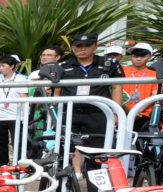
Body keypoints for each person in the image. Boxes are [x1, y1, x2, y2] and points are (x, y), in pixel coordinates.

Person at [53, 33, 123, 183]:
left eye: (87, 46)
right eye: (78, 46)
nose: (82, 49)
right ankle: (62, 187)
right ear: (72, 48)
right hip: (70, 112)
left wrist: (115, 112)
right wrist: (55, 112)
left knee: (98, 153)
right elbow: (57, 90)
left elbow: (117, 87)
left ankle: (97, 189)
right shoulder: (63, 66)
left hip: (98, 113)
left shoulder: (109, 63)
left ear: (95, 46)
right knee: (63, 149)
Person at [0, 55, 28, 165]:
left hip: (16, 116)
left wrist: (25, 116)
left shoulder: (21, 79)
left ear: (12, 66)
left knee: (17, 142)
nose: (1, 68)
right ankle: (3, 166)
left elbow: (24, 98)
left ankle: (19, 165)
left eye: (3, 66)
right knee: (1, 143)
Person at [120, 42, 157, 132]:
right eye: (135, 56)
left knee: (140, 142)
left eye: (143, 56)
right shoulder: (122, 70)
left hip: (143, 114)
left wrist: (139, 109)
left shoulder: (154, 73)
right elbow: (116, 90)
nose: (139, 59)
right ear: (131, 57)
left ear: (150, 56)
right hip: (122, 111)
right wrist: (128, 109)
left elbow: (154, 95)